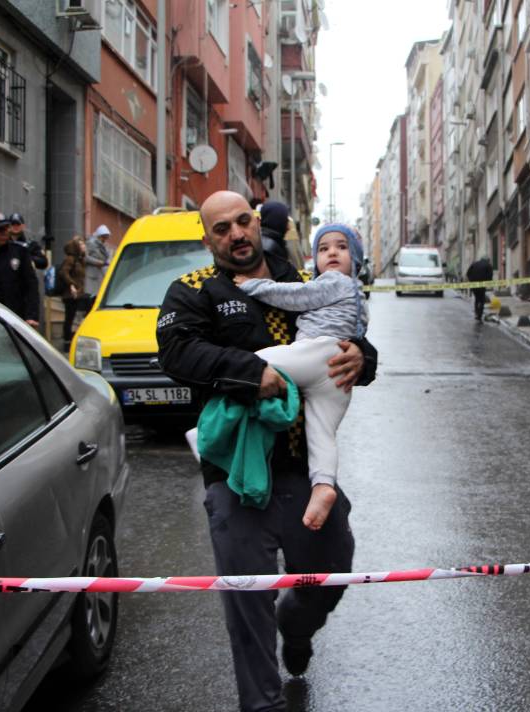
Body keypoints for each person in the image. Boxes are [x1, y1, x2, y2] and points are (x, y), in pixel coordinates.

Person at [156, 191, 377, 712]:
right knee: (247, 601)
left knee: (331, 572)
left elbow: (345, 322)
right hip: (235, 474)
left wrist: (363, 357)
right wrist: (251, 373)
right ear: (207, 239)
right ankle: (262, 703)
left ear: (256, 224)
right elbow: (178, 352)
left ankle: (295, 627)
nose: (235, 234)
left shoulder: (303, 281)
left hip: (300, 465)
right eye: (221, 228)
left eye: (242, 222)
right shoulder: (193, 289)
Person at [225, 222, 368, 531]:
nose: (332, 253)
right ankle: (323, 485)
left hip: (318, 353)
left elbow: (296, 296)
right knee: (322, 434)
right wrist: (362, 353)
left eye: (342, 247)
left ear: (356, 258)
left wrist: (252, 285)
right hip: (337, 378)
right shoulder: (358, 293)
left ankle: (206, 437)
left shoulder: (334, 281)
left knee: (249, 365)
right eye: (324, 248)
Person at [58, 236, 88, 348]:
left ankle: (74, 339)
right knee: (69, 318)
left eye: (83, 244)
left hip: (79, 293)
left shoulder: (80, 260)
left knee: (78, 316)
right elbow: (64, 272)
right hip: (70, 294)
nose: (84, 246)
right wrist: (72, 285)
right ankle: (67, 342)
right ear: (76, 247)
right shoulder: (70, 259)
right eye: (81, 245)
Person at [84, 224, 112, 298]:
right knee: (91, 296)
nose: (105, 239)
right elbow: (85, 257)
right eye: (104, 237)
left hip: (100, 273)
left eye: (106, 237)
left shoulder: (103, 245)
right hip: (92, 274)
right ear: (100, 236)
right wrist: (98, 262)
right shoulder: (90, 243)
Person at [466, 255, 494, 321]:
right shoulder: (488, 266)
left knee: (477, 298)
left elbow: (468, 273)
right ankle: (479, 315)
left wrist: (471, 280)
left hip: (473, 285)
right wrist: (487, 282)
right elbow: (490, 276)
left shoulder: (474, 264)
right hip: (482, 285)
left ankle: (476, 312)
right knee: (482, 300)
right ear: (488, 260)